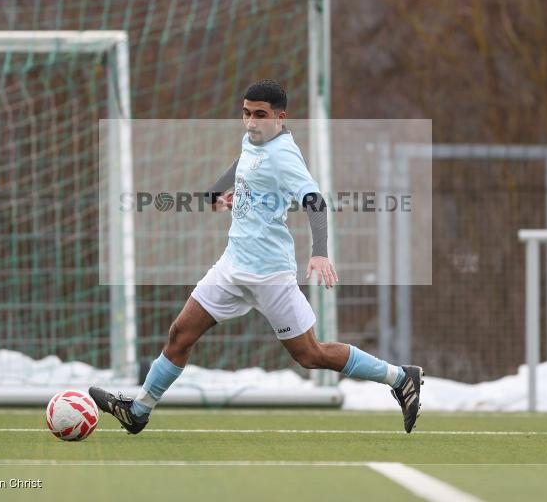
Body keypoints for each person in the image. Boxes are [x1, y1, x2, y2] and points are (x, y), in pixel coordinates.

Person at [90, 79, 423, 434]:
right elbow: (244, 161)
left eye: (260, 115)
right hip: (232, 266)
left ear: (281, 117)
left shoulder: (284, 154)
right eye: (246, 113)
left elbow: (315, 201)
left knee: (310, 354)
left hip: (270, 275)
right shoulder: (254, 139)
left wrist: (320, 253)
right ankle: (139, 411)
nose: (251, 122)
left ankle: (401, 377)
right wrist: (216, 193)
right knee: (180, 334)